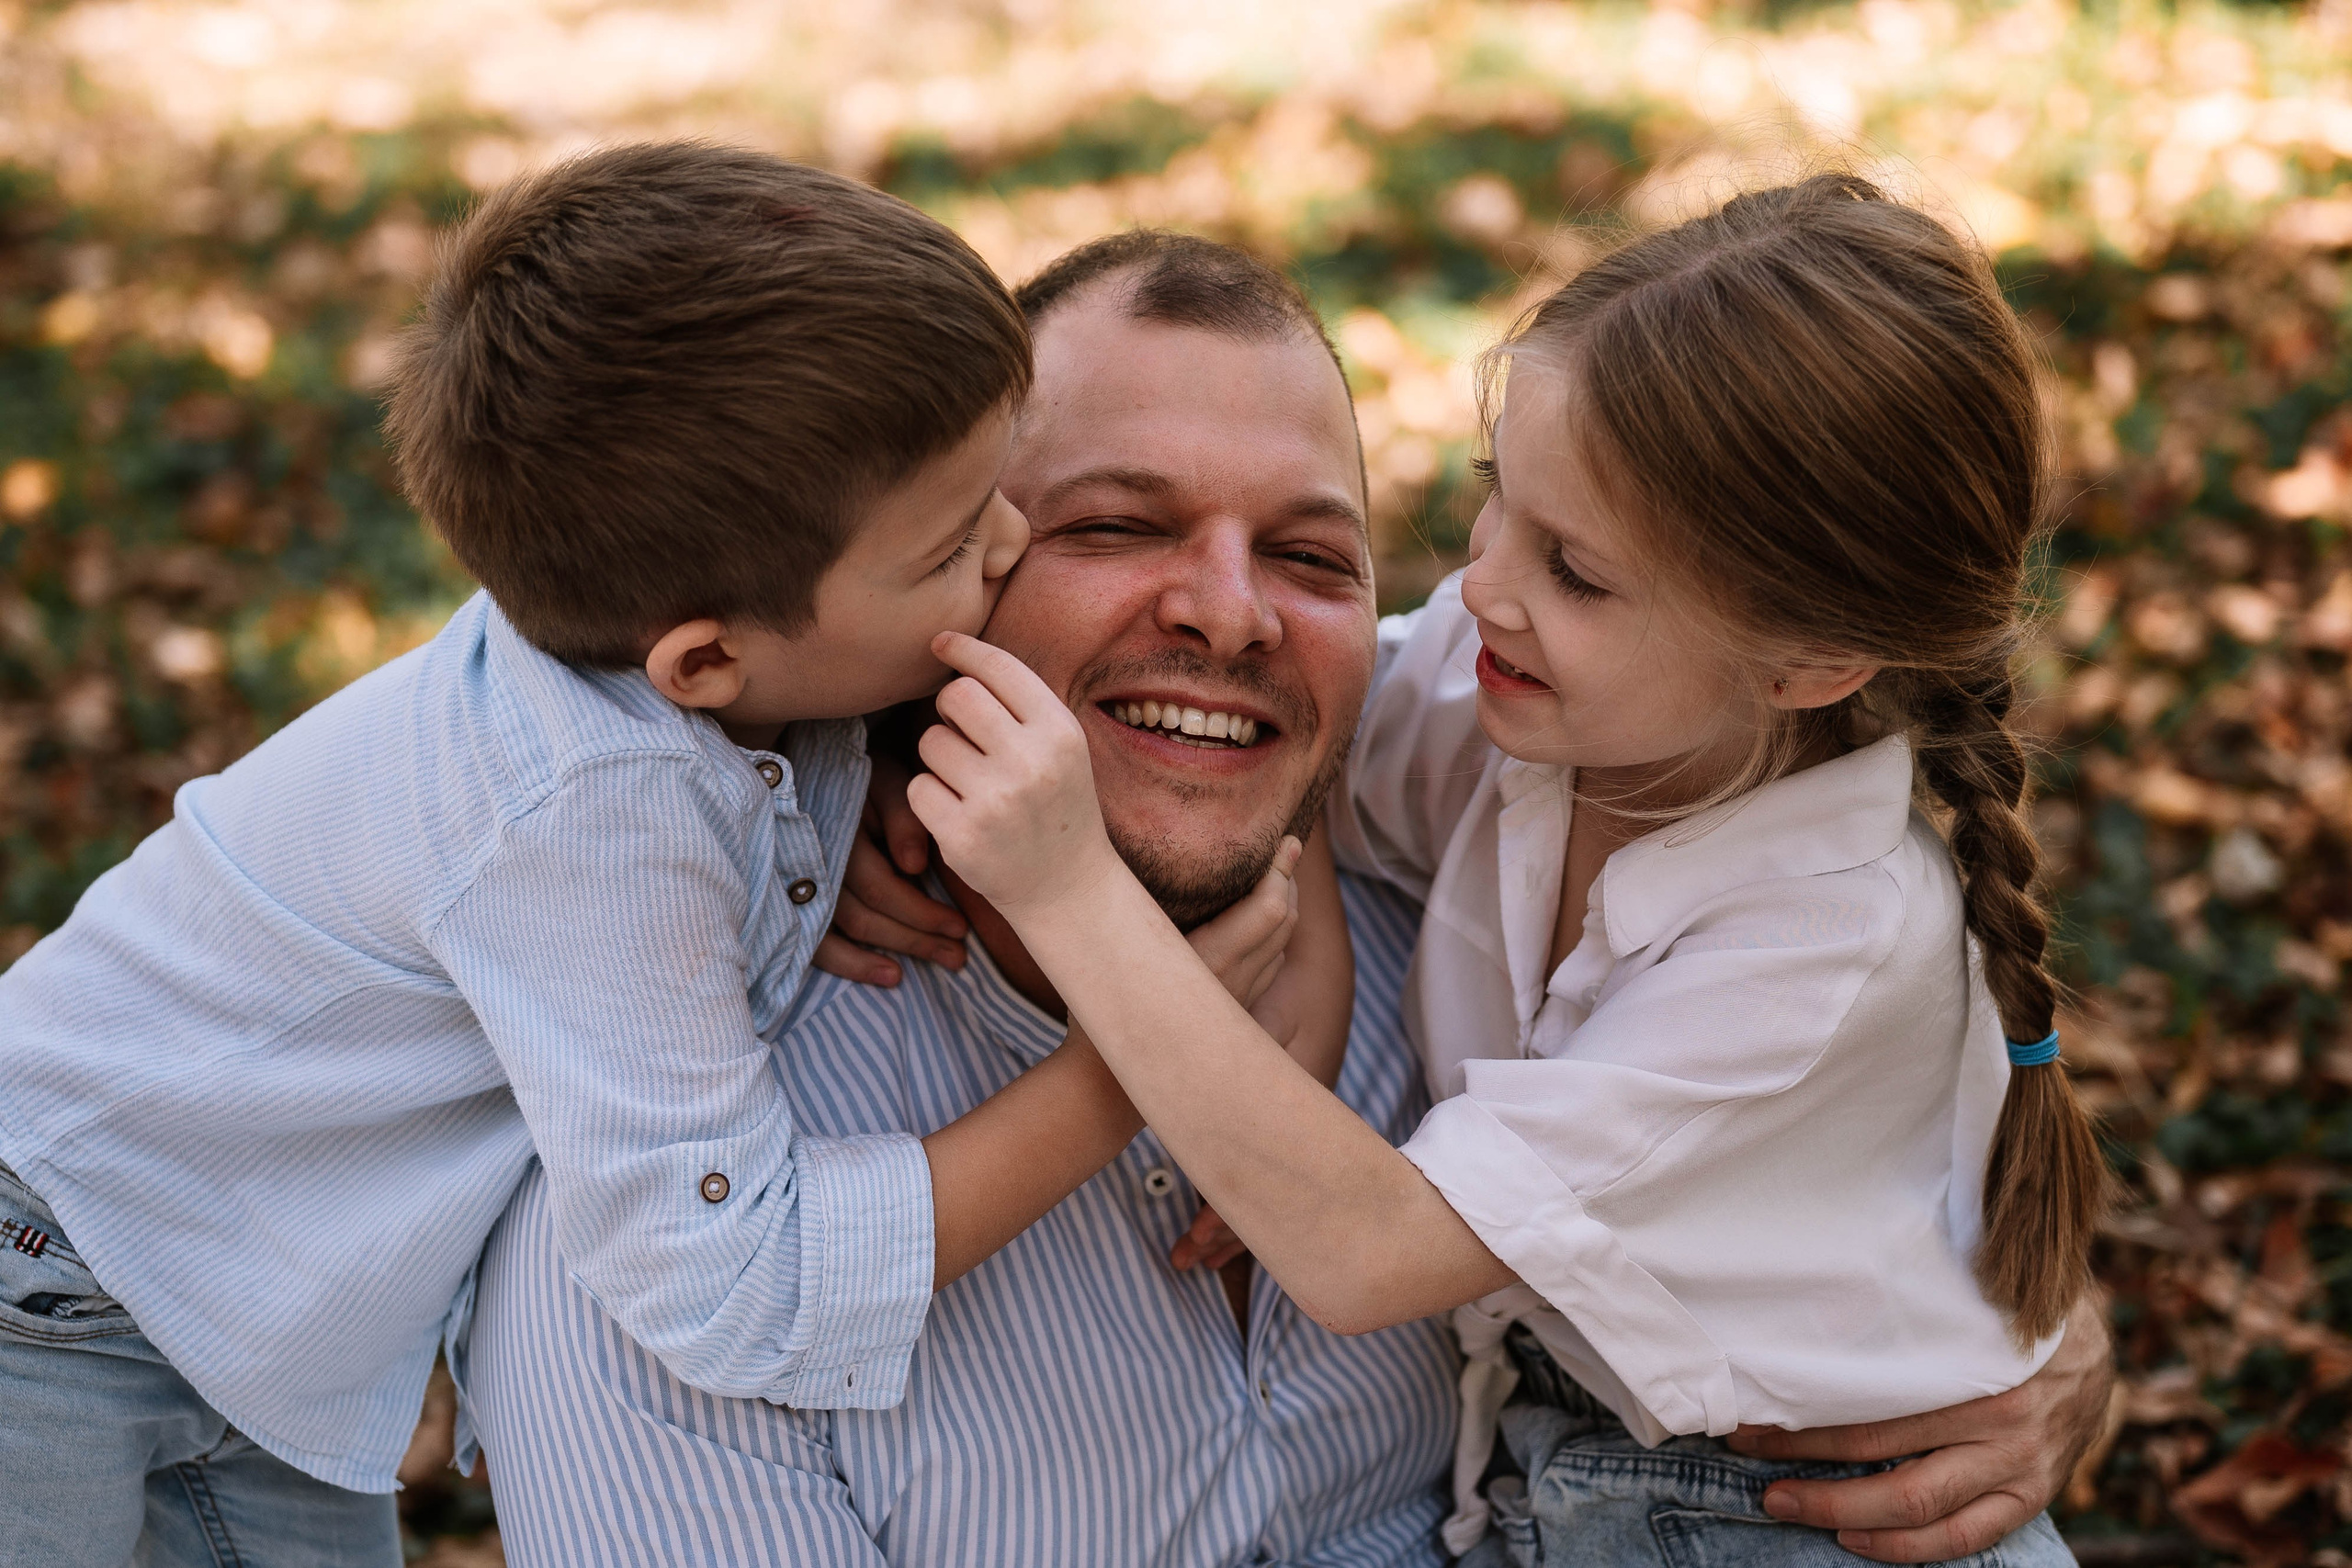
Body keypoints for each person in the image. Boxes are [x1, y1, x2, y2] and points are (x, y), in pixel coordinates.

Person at [469, 229, 2116, 1567]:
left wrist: (1993, 1344)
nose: (1237, 617)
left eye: (1319, 559)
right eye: (1115, 524)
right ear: (938, 567)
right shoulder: (698, 1208)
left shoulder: (1688, 919)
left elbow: (1797, 1134)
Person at [0, 146, 1310, 1565]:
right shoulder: (586, 818)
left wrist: (862, 770)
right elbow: (736, 1279)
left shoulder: (696, 653)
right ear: (702, 659)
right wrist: (1139, 1062)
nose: (1008, 545)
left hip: (245, 1315)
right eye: (948, 549)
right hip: (55, 1292)